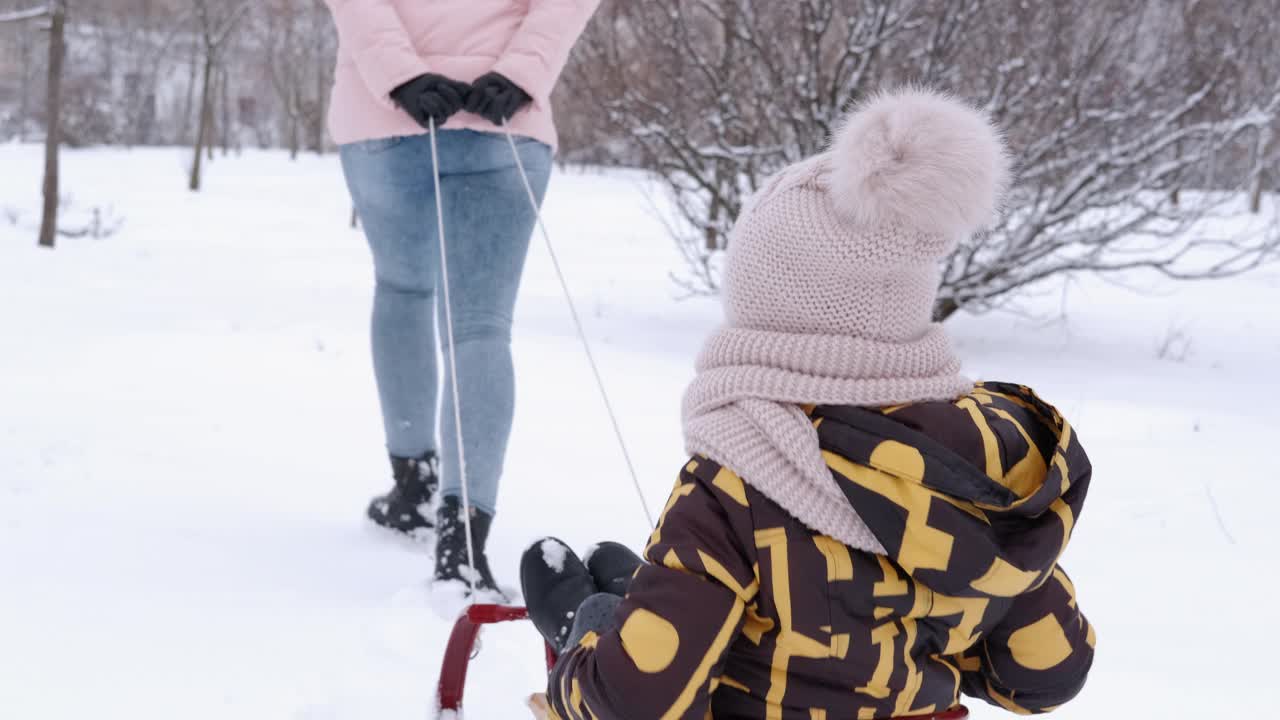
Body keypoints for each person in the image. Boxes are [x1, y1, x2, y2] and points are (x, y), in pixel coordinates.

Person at [520, 87, 1096, 719]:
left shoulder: (741, 478)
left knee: (601, 623)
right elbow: (1046, 674)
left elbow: (637, 705)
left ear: (766, 314)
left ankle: (597, 616)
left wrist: (584, 648)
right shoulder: (980, 477)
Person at [321, 0, 601, 600]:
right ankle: (463, 543)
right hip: (501, 117)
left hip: (383, 119)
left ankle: (414, 487)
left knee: (402, 288)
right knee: (480, 327)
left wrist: (399, 75)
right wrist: (523, 74)